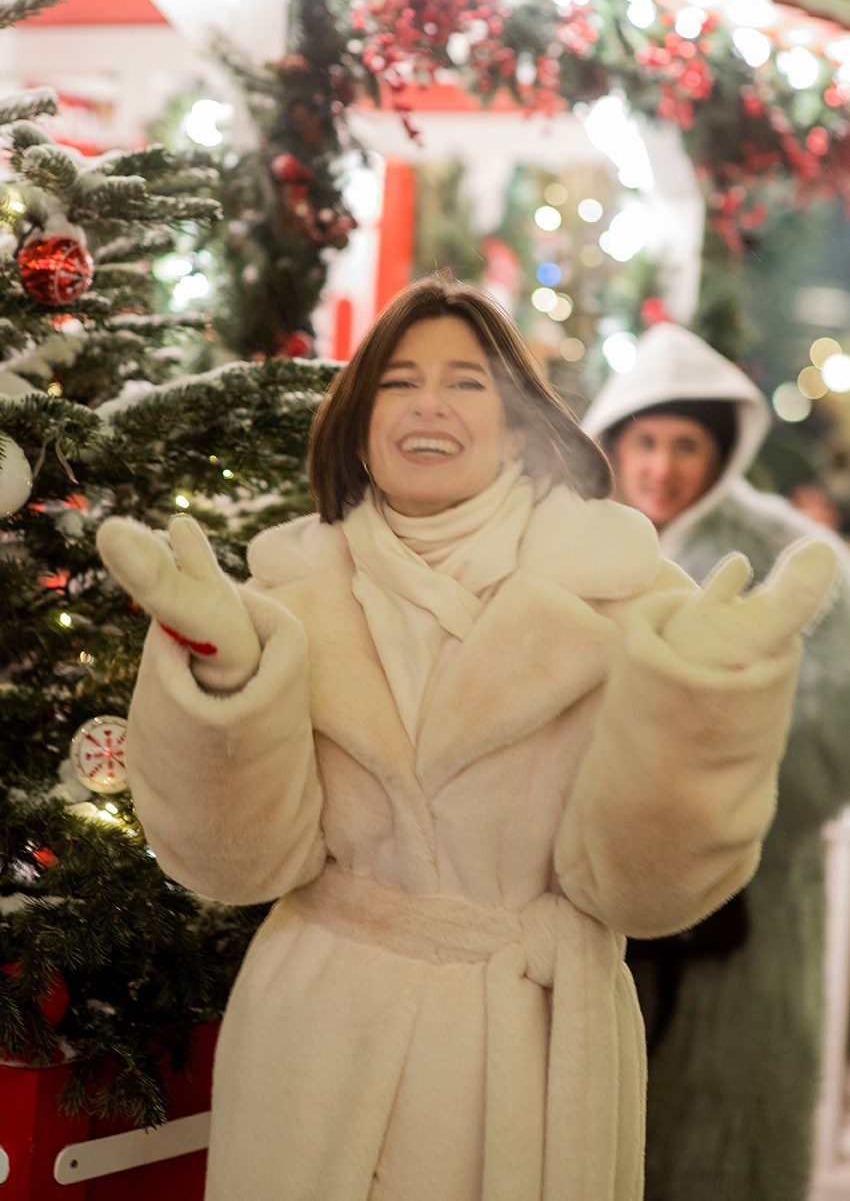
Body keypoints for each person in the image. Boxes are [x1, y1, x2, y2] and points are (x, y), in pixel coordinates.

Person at [96, 276, 836, 1201]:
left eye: (467, 382)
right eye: (398, 382)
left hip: (525, 1060)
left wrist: (696, 711)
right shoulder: (286, 598)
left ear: (523, 422)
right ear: (360, 423)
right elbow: (236, 867)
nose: (429, 404)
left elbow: (642, 894)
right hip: (313, 1054)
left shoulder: (626, 597)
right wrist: (223, 678)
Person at [581, 319, 850, 1201]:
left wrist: (710, 790)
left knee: (722, 1141)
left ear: (722, 449)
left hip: (751, 910)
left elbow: (830, 731)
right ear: (614, 442)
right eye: (645, 440)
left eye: (685, 443)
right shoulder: (580, 546)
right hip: (599, 903)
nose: (660, 466)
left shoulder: (790, 557)